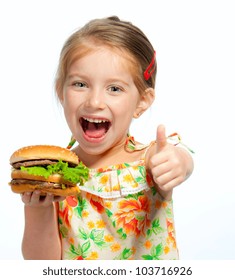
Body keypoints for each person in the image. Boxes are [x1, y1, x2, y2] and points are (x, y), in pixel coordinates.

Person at [21, 16, 194, 260]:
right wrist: (36, 209)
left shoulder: (149, 160)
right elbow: (42, 265)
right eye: (80, 84)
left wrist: (178, 162)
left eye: (114, 88)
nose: (94, 102)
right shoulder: (56, 175)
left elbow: (179, 158)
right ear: (60, 91)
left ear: (142, 102)